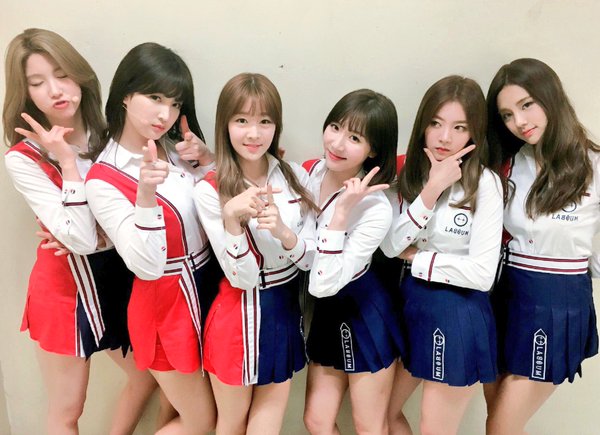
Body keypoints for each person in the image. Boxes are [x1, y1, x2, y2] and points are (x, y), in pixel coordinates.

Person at [3, 28, 157, 435]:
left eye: (62, 74)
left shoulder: (110, 135)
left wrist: (94, 235)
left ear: (80, 75)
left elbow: (116, 221)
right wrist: (67, 163)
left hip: (117, 279)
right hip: (63, 290)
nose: (55, 90)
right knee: (67, 409)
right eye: (38, 82)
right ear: (25, 93)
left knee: (146, 376)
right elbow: (81, 239)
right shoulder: (23, 158)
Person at [85, 42, 216, 434]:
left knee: (174, 410)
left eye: (175, 103)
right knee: (202, 422)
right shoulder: (103, 178)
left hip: (206, 287)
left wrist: (206, 161)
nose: (165, 114)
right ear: (125, 94)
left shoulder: (176, 149)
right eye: (155, 98)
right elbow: (145, 265)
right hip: (165, 306)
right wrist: (145, 195)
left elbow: (211, 208)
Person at [193, 72, 318, 435]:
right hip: (238, 313)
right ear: (225, 125)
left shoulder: (294, 177)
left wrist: (283, 232)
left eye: (265, 121)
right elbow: (242, 279)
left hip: (285, 307)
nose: (254, 134)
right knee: (231, 425)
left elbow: (312, 262)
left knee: (268, 424)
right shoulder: (210, 189)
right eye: (241, 121)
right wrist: (232, 220)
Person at [381, 76, 502, 435]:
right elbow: (390, 247)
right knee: (383, 416)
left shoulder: (485, 183)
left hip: (457, 312)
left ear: (473, 132)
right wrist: (432, 188)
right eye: (436, 123)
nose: (445, 137)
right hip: (413, 305)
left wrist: (417, 259)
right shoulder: (409, 175)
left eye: (459, 127)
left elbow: (482, 273)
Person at [484, 58, 599, 435]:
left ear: (550, 97)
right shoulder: (507, 164)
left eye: (526, 105)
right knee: (499, 422)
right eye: (507, 114)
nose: (518, 121)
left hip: (557, 301)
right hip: (504, 296)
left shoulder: (594, 165)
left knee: (501, 428)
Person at [302, 89, 403, 435]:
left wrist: (342, 212)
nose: (338, 143)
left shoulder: (376, 207)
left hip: (363, 309)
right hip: (327, 311)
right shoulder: (311, 172)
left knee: (369, 426)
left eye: (355, 138)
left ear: (373, 150)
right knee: (316, 421)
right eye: (335, 127)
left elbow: (325, 282)